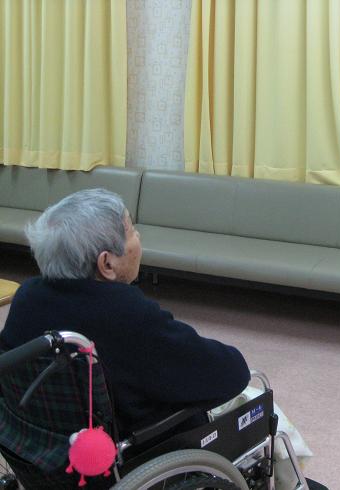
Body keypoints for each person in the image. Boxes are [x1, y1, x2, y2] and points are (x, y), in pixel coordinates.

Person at [0, 189, 252, 487]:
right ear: (107, 264)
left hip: (46, 459)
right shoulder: (127, 314)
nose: (138, 236)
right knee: (258, 408)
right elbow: (232, 374)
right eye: (131, 229)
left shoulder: (27, 296)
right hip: (131, 459)